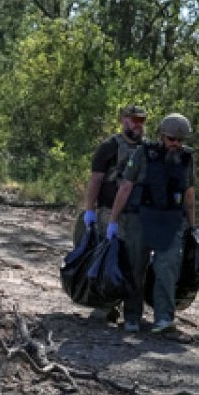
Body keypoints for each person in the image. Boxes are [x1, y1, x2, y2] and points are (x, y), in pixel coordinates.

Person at [108, 113, 197, 334]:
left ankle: (164, 318)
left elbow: (189, 195)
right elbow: (126, 186)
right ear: (161, 136)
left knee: (167, 269)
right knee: (135, 267)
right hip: (140, 218)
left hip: (171, 220)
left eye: (180, 140)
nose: (175, 144)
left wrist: (192, 228)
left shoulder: (187, 159)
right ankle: (132, 317)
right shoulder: (143, 153)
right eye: (171, 139)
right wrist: (113, 220)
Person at [77, 104, 147, 323]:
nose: (137, 125)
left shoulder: (147, 149)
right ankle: (105, 306)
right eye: (133, 120)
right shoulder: (108, 147)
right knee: (108, 259)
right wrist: (89, 210)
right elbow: (96, 179)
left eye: (141, 121)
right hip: (108, 211)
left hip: (136, 215)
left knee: (135, 263)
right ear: (123, 120)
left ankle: (132, 313)